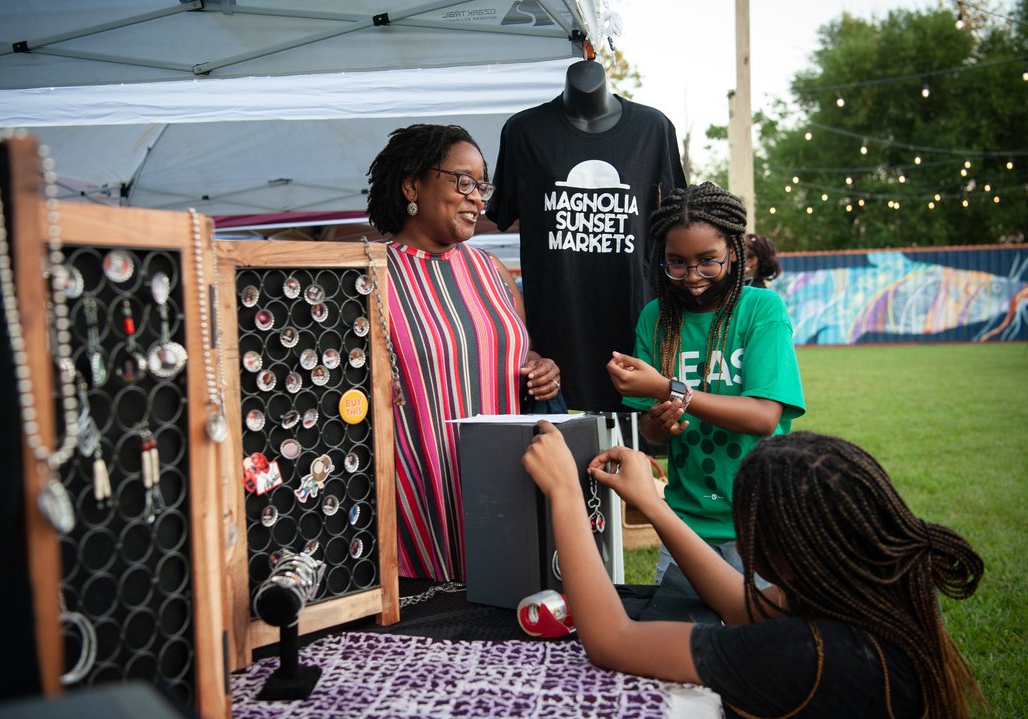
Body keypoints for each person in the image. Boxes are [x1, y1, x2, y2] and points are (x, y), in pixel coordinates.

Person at [522, 423, 986, 718]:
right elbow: (742, 606)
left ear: (779, 554)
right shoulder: (874, 593)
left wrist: (565, 493)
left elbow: (612, 642)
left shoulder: (808, 655)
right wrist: (652, 505)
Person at [366, 124, 561, 582]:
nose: (478, 199)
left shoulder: (491, 270)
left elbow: (519, 353)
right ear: (413, 184)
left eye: (483, 186)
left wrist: (542, 368)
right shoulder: (369, 275)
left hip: (505, 483)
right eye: (464, 182)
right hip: (419, 495)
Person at [606, 182, 805, 583]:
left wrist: (666, 388)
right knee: (681, 639)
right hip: (683, 522)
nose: (692, 276)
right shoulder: (655, 318)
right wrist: (658, 424)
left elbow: (765, 416)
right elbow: (650, 433)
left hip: (755, 525)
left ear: (734, 252)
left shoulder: (761, 310)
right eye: (676, 262)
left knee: (756, 637)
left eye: (708, 261)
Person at [486, 59, 686, 414]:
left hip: (633, 328)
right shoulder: (523, 131)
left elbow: (677, 223)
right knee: (553, 457)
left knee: (632, 454)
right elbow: (501, 213)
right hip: (554, 344)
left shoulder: (652, 128)